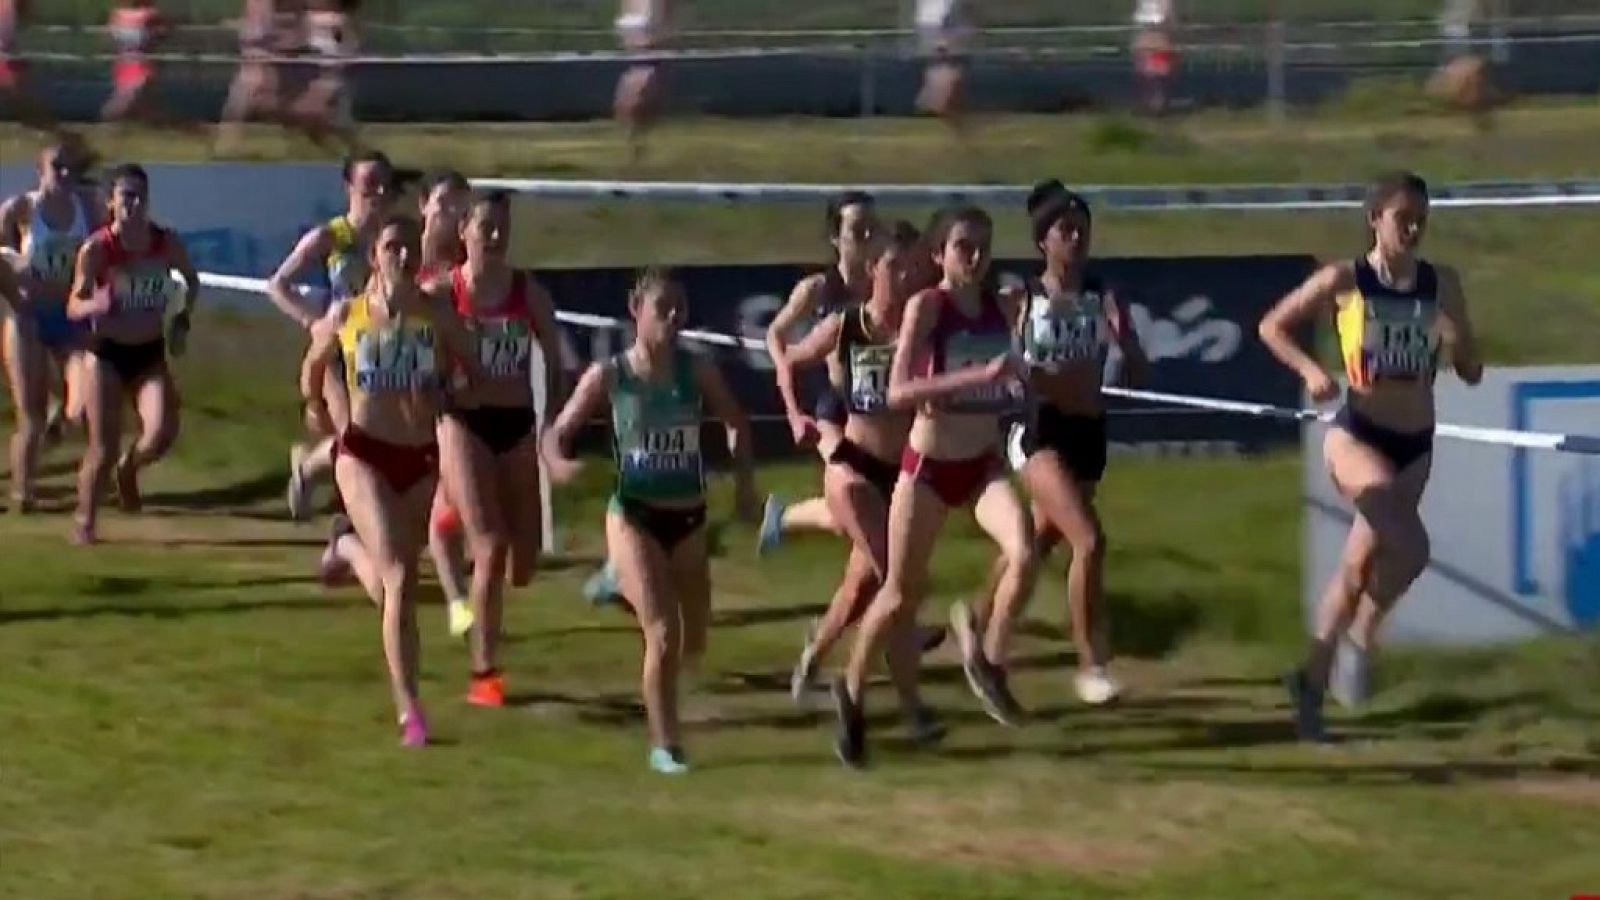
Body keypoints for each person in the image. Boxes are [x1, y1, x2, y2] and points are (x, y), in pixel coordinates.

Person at [1258, 170, 1481, 741]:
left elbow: (1473, 371)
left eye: (1421, 219)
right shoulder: (1344, 280)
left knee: (1362, 567)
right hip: (1357, 435)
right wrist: (1311, 372)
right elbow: (1272, 327)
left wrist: (1460, 346)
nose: (1412, 228)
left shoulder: (1442, 283)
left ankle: (1314, 678)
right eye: (1401, 217)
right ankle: (1352, 648)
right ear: (1374, 219)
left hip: (1415, 444)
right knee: (1412, 548)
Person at [831, 206, 1037, 768]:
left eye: (983, 247)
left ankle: (987, 658)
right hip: (927, 467)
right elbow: (898, 391)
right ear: (940, 254)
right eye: (963, 247)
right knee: (898, 593)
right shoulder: (928, 307)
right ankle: (850, 693)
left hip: (981, 465)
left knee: (1024, 551)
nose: (975, 257)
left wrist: (1015, 391)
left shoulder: (999, 308)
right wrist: (979, 377)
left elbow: (1011, 378)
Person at [542, 268, 759, 774]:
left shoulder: (697, 371)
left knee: (695, 638)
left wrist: (745, 486)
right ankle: (666, 745)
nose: (674, 318)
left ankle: (619, 581)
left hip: (687, 515)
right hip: (634, 514)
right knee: (662, 633)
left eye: (680, 308)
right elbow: (557, 433)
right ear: (636, 311)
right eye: (663, 308)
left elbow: (736, 422)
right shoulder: (610, 375)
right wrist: (558, 464)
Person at [300, 214, 480, 747]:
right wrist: (320, 407)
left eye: (408, 248)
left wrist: (444, 391)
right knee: (402, 577)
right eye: (391, 247)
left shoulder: (438, 317)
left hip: (418, 456)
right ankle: (411, 711)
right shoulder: (348, 314)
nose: (401, 257)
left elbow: (472, 375)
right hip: (364, 454)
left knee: (391, 586)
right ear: (373, 255)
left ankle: (348, 549)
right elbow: (313, 366)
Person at [975, 181, 1150, 707]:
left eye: (1082, 229)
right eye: (1064, 230)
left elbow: (1137, 374)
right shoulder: (1019, 299)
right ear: (1042, 242)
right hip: (1039, 433)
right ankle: (1091, 664)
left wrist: (1128, 344)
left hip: (1088, 437)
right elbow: (979, 349)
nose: (1076, 238)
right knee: (1090, 542)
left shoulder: (1104, 296)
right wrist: (1032, 379)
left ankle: (977, 623)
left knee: (1040, 540)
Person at [772, 221, 944, 736]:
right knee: (899, 584)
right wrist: (794, 414)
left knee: (861, 590)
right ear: (873, 270)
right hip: (850, 467)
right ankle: (911, 710)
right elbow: (788, 359)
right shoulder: (848, 326)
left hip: (902, 474)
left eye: (914, 266)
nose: (906, 275)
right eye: (896, 266)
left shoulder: (920, 326)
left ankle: (812, 655)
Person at [433, 192, 562, 706]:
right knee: (490, 546)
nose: (494, 236)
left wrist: (549, 420)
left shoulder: (526, 291)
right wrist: (440, 389)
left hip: (516, 423)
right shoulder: (444, 292)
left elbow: (554, 356)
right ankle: (484, 675)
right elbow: (413, 349)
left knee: (523, 562)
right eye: (485, 226)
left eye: (502, 227)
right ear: (463, 230)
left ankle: (446, 517)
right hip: (463, 423)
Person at [65, 163, 198, 545]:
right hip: (106, 354)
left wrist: (181, 317)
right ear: (111, 202)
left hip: (149, 352)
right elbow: (74, 305)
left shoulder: (165, 243)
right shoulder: (98, 249)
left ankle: (130, 468)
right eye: (127, 196)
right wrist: (96, 305)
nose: (135, 204)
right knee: (102, 448)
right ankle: (85, 521)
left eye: (141, 196)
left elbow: (191, 279)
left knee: (162, 432)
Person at [758, 191, 883, 555]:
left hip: (874, 408)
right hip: (831, 409)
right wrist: (793, 409)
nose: (867, 238)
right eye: (857, 230)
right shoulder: (817, 289)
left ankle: (783, 518)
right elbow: (775, 336)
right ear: (835, 238)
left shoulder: (886, 287)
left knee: (860, 509)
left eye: (872, 229)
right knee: (851, 502)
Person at [274, 149, 394, 523]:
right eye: (368, 183)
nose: (377, 192)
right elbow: (278, 285)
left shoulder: (394, 240)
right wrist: (312, 322)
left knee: (376, 438)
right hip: (336, 351)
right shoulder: (331, 236)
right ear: (349, 187)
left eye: (384, 184)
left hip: (380, 350)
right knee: (356, 438)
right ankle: (355, 519)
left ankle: (309, 468)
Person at [0, 143, 99, 511]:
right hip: (27, 317)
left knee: (84, 403)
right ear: (39, 170)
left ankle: (64, 418)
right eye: (57, 167)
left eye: (70, 167)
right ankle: (22, 495)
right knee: (31, 414)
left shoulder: (86, 206)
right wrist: (13, 258)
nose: (65, 175)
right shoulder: (22, 208)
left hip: (70, 318)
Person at [408, 170, 478, 636]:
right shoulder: (403, 257)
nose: (453, 216)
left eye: (461, 207)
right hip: (407, 394)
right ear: (423, 207)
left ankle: (459, 603)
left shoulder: (471, 263)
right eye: (444, 205)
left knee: (444, 505)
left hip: (455, 395)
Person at [216, 0, 299, 154]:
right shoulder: (257, 5)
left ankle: (280, 142)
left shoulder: (266, 8)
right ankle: (226, 144)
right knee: (242, 98)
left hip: (264, 56)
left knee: (269, 98)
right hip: (254, 58)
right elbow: (253, 34)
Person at [289, 0, 360, 152]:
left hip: (331, 78)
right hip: (315, 78)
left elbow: (346, 48)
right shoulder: (309, 19)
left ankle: (359, 153)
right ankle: (339, 152)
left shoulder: (338, 21)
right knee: (308, 120)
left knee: (338, 125)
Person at [614, 0, 669, 162]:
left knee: (639, 71)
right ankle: (636, 136)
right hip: (646, 21)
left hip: (634, 20)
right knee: (648, 74)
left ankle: (634, 136)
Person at [102, 1, 170, 126]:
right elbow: (163, 31)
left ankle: (152, 120)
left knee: (143, 92)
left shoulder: (118, 14)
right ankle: (110, 118)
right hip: (135, 58)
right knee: (131, 91)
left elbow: (108, 38)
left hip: (126, 58)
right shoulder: (149, 14)